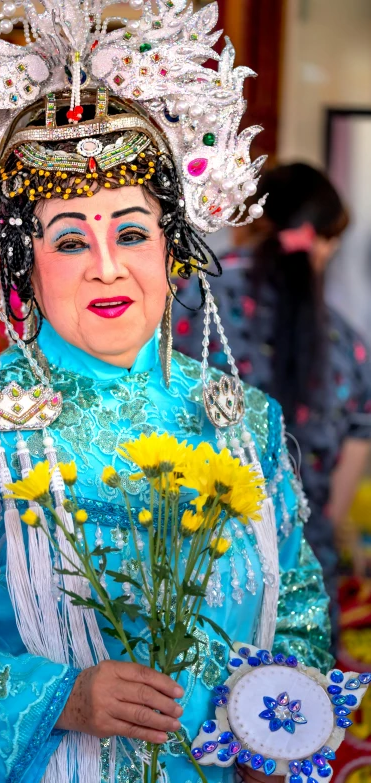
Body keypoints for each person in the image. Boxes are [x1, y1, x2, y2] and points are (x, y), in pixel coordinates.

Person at [0, 3, 331, 782]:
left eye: (133, 233)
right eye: (70, 239)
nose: (108, 266)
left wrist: (279, 722)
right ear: (22, 268)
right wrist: (60, 699)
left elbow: (300, 609)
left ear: (175, 252)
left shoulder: (245, 425)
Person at [173, 162, 371, 642]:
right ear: (323, 242)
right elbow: (349, 467)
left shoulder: (193, 299)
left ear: (253, 221)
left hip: (198, 560)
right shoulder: (349, 344)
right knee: (293, 707)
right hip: (304, 565)